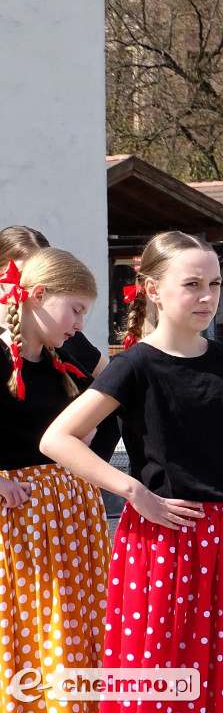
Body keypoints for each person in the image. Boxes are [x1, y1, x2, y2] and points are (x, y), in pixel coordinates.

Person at [41, 231, 223, 713]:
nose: (207, 297)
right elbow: (57, 438)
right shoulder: (134, 365)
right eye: (192, 283)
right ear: (153, 289)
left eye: (215, 284)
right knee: (159, 670)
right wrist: (133, 491)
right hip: (161, 539)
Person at [0, 249, 117, 713]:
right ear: (38, 296)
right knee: (35, 623)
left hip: (72, 517)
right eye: (75, 309)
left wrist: (85, 443)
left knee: (75, 623)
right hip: (23, 521)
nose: (79, 323)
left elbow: (107, 412)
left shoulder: (64, 361)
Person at [0, 225, 108, 377]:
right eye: (24, 271)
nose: (32, 279)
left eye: (42, 271)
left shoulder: (63, 334)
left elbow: (108, 376)